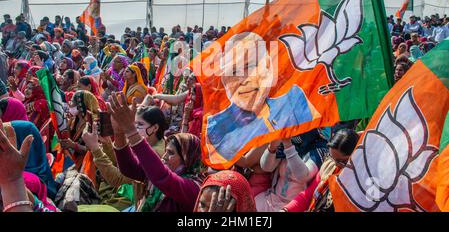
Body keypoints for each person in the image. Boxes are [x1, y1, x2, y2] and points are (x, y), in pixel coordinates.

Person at [207, 32, 315, 161]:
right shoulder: (216, 127)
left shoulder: (295, 101)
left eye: (251, 67)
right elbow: (247, 161)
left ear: (268, 66)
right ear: (224, 79)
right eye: (234, 70)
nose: (244, 79)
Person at [110, 92, 205, 212]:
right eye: (166, 151)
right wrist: (119, 133)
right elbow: (129, 169)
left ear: (186, 158)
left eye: (171, 153)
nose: (164, 156)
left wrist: (131, 131)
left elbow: (162, 177)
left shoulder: (193, 187)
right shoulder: (163, 172)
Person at [283, 129, 359, 212]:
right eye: (333, 158)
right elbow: (308, 195)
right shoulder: (329, 166)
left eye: (342, 161)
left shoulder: (361, 183)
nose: (336, 165)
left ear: (356, 154)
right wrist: (286, 210)